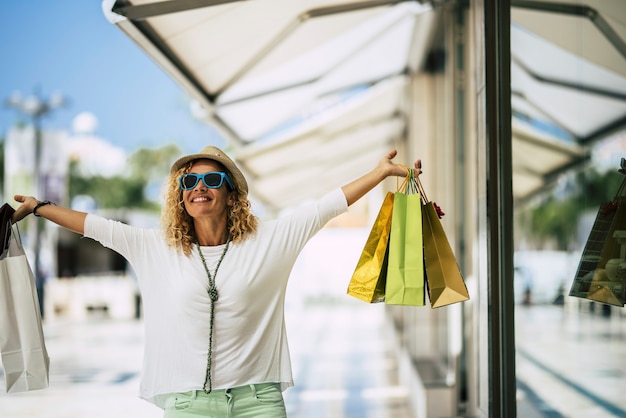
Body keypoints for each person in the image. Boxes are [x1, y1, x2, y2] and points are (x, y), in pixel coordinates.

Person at [11, 145, 422, 418]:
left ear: (231, 194)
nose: (199, 188)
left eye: (211, 180)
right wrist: (38, 208)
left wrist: (380, 173)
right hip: (188, 403)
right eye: (189, 182)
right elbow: (95, 226)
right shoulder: (155, 248)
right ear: (180, 197)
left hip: (258, 400)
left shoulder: (270, 240)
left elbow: (325, 207)